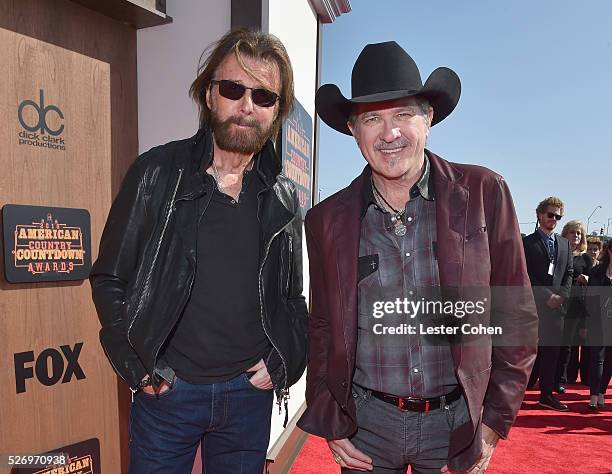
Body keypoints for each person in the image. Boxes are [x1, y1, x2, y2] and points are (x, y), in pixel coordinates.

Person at [297, 41, 537, 474]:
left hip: (457, 427)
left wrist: (493, 423)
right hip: (366, 426)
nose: (389, 134)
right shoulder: (325, 220)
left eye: (403, 115)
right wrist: (330, 418)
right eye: (372, 119)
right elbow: (322, 325)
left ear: (428, 118)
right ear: (354, 130)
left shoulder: (485, 193)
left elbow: (515, 314)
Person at [90, 28, 308, 473]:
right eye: (233, 89)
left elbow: (291, 300)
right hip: (169, 394)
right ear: (210, 96)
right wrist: (139, 368)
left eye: (264, 97)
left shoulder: (284, 197)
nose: (247, 106)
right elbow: (110, 278)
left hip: (249, 397)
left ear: (276, 112)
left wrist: (285, 360)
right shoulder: (156, 172)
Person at [523, 197, 573, 411]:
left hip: (557, 309)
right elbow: (524, 274)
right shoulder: (527, 243)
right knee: (525, 352)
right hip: (533, 306)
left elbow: (569, 273)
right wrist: (546, 296)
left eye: (558, 216)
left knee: (552, 353)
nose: (554, 219)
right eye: (550, 214)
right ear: (540, 215)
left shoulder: (565, 245)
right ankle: (515, 394)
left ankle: (546, 395)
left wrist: (562, 296)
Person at [554, 220, 593, 391]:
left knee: (569, 344)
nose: (576, 236)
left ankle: (564, 379)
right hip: (557, 302)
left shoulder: (585, 258)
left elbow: (596, 282)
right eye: (572, 232)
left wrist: (588, 279)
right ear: (565, 234)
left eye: (579, 233)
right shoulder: (559, 252)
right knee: (555, 343)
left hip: (577, 305)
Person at [585, 239, 612, 411]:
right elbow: (590, 300)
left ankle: (602, 392)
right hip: (598, 320)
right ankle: (594, 394)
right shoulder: (597, 272)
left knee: (610, 360)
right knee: (597, 358)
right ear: (609, 251)